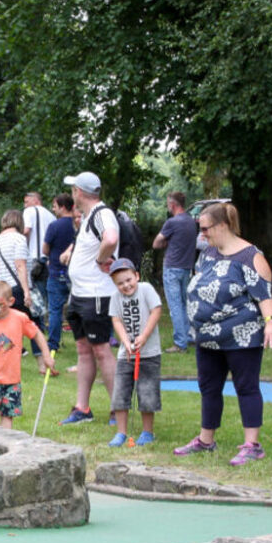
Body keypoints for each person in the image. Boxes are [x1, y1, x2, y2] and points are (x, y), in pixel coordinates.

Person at [176, 202, 272, 466]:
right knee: (209, 387)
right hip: (207, 336)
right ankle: (206, 440)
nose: (202, 234)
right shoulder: (209, 253)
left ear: (223, 225)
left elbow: (264, 294)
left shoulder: (250, 256)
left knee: (246, 387)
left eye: (206, 229)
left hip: (240, 334)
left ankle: (252, 446)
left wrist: (270, 322)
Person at [57, 171, 119, 425]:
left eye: (73, 189)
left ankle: (117, 410)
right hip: (80, 294)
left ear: (79, 192)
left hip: (96, 295)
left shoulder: (103, 214)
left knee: (102, 350)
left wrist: (100, 259)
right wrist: (72, 253)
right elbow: (94, 242)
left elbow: (111, 239)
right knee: (84, 350)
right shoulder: (89, 217)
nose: (72, 193)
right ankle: (82, 408)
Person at [0, 281, 53, 429]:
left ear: (11, 301)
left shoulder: (20, 318)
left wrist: (46, 355)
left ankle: (5, 441)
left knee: (8, 416)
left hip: (12, 379)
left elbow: (37, 334)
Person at [107, 258, 162, 447]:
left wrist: (143, 337)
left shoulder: (146, 289)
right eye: (120, 283)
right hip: (126, 355)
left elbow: (156, 311)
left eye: (128, 280)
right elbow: (116, 321)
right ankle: (121, 433)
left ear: (136, 276)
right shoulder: (115, 298)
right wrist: (126, 342)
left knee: (147, 393)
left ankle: (147, 432)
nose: (126, 285)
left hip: (150, 353)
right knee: (120, 393)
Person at [0, 208, 50, 375]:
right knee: (33, 325)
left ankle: (5, 362)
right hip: (17, 289)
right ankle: (42, 365)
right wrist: (26, 292)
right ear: (19, 222)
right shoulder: (19, 239)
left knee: (6, 326)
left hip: (1, 289)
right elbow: (20, 265)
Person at [152, 191, 197, 353]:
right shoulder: (191, 221)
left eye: (168, 204)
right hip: (187, 267)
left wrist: (166, 243)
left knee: (175, 306)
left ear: (172, 205)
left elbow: (156, 243)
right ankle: (189, 336)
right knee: (184, 304)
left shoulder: (172, 222)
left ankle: (180, 343)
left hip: (172, 267)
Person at [42, 193, 76, 353]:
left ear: (62, 207)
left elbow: (45, 249)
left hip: (56, 272)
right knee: (79, 309)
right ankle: (85, 341)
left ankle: (53, 344)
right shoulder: (78, 225)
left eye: (55, 206)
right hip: (75, 274)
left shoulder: (54, 226)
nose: (53, 209)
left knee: (55, 310)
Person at [22, 191, 53, 339]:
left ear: (36, 201)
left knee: (36, 294)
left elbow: (26, 230)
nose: (25, 205)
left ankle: (39, 326)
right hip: (48, 259)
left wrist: (23, 246)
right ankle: (49, 324)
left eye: (26, 202)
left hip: (34, 258)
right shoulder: (51, 215)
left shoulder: (29, 211)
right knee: (47, 294)